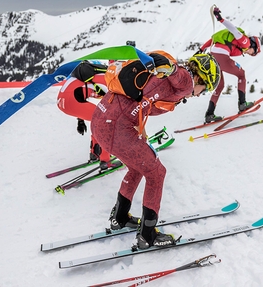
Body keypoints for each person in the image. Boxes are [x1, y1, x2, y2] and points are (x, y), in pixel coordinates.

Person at [91, 52, 220, 249]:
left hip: (101, 121)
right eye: (205, 89)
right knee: (157, 173)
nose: (200, 94)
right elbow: (177, 73)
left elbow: (147, 98)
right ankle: (147, 235)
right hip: (117, 128)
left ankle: (119, 217)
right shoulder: (186, 81)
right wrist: (170, 68)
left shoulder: (165, 81)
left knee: (137, 168)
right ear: (201, 77)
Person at [198, 7, 261, 123]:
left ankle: (209, 114)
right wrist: (220, 19)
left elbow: (213, 39)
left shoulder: (238, 45)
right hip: (222, 56)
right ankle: (242, 104)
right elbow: (233, 29)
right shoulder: (245, 42)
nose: (251, 54)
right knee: (241, 74)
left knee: (220, 85)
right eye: (254, 52)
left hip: (213, 56)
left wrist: (201, 49)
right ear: (253, 45)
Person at [57, 65, 117, 170]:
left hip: (62, 102)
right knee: (105, 124)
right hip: (71, 102)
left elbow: (77, 92)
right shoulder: (109, 81)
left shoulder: (96, 76)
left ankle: (94, 154)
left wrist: (80, 120)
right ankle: (105, 161)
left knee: (98, 121)